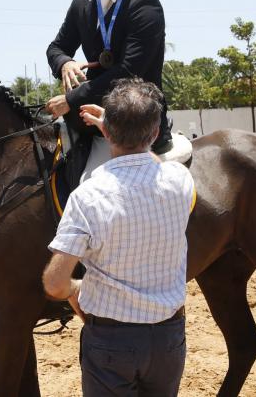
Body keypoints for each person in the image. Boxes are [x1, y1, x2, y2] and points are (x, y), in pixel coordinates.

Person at [42, 78, 194, 396]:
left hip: (111, 342)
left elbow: (55, 284)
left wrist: (74, 290)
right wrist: (120, 132)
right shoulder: (180, 179)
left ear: (107, 133)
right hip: (168, 339)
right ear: (155, 133)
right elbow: (154, 164)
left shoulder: (87, 196)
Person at [45, 0, 171, 178]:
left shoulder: (146, 6)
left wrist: (71, 99)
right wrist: (65, 63)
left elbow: (128, 72)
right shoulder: (81, 2)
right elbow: (56, 47)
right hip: (90, 120)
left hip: (137, 124)